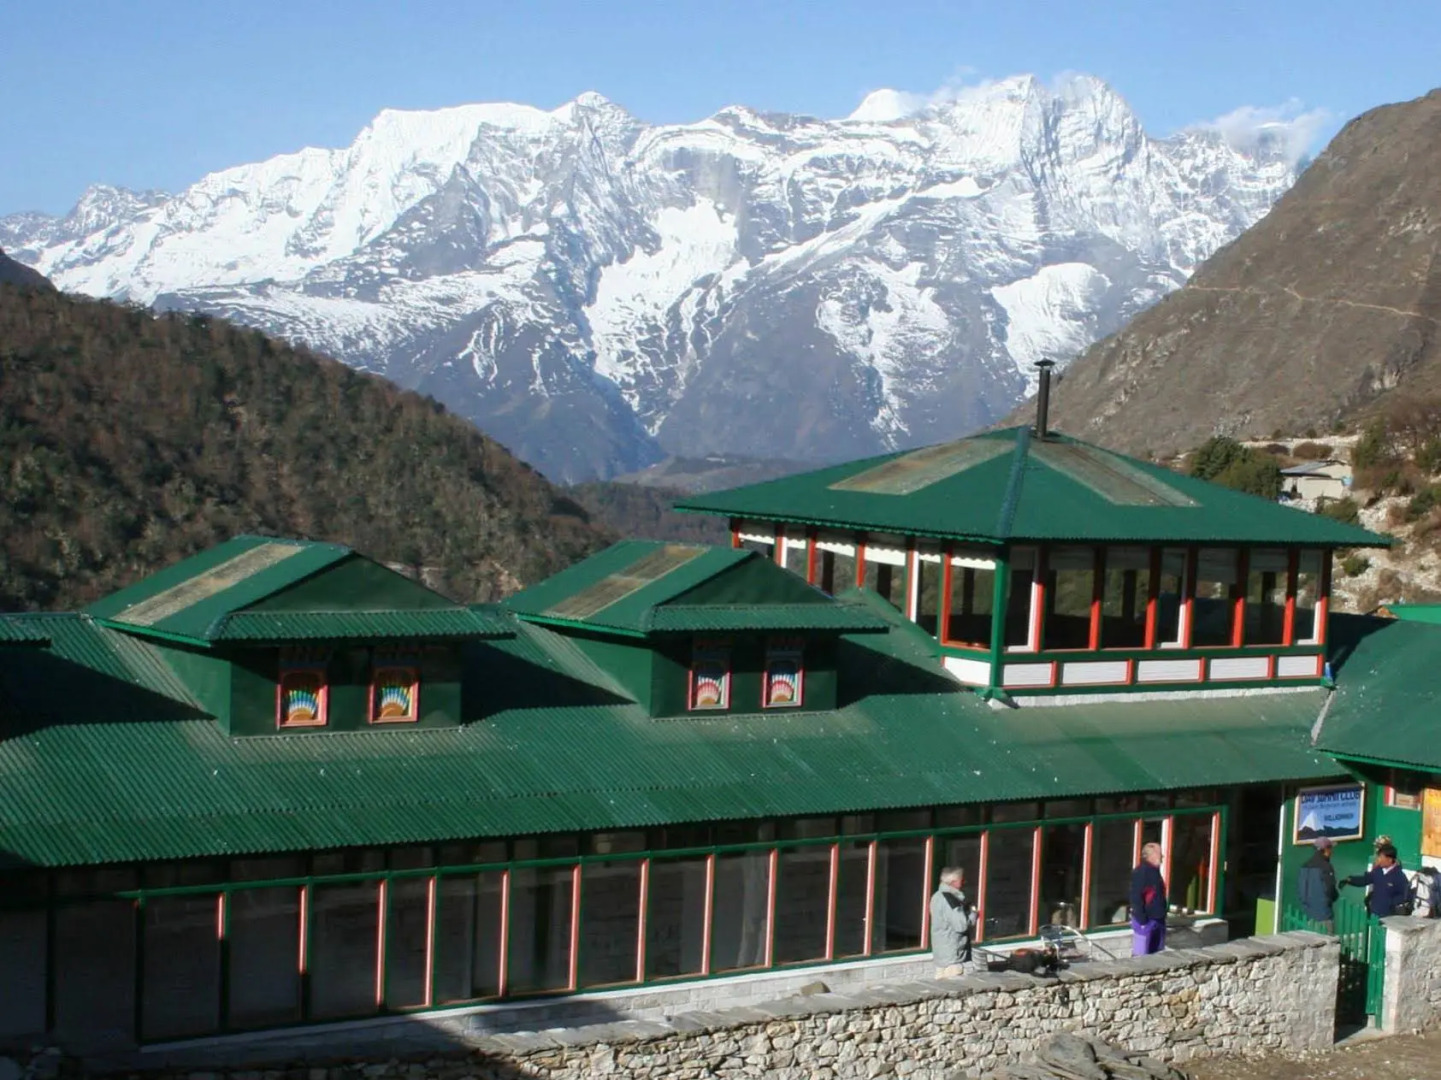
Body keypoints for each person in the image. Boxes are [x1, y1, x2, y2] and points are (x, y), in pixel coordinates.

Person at [929, 866, 977, 978]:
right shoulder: (951, 900)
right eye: (962, 880)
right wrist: (973, 913)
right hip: (953, 954)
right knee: (954, 985)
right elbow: (961, 926)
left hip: (941, 952)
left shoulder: (936, 896)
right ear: (954, 882)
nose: (964, 882)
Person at [1343, 842, 1411, 917]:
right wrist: (1350, 880)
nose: (1379, 860)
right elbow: (1365, 880)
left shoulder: (1399, 876)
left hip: (1388, 916)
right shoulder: (1378, 871)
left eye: (1381, 857)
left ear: (1389, 859)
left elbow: (1406, 895)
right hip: (1373, 913)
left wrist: (1390, 902)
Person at [1129, 842, 1167, 955]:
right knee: (1141, 955)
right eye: (1160, 854)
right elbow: (1136, 897)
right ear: (1152, 855)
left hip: (1158, 919)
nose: (1162, 856)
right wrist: (1142, 920)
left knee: (1157, 954)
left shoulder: (1154, 871)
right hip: (1146, 921)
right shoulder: (1142, 872)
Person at [1296, 836, 1339, 931]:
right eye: (1330, 848)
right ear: (1325, 849)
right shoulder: (1326, 867)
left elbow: (1301, 891)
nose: (1331, 851)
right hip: (1324, 914)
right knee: (1327, 943)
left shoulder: (1304, 866)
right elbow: (1330, 889)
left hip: (1309, 915)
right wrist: (1334, 897)